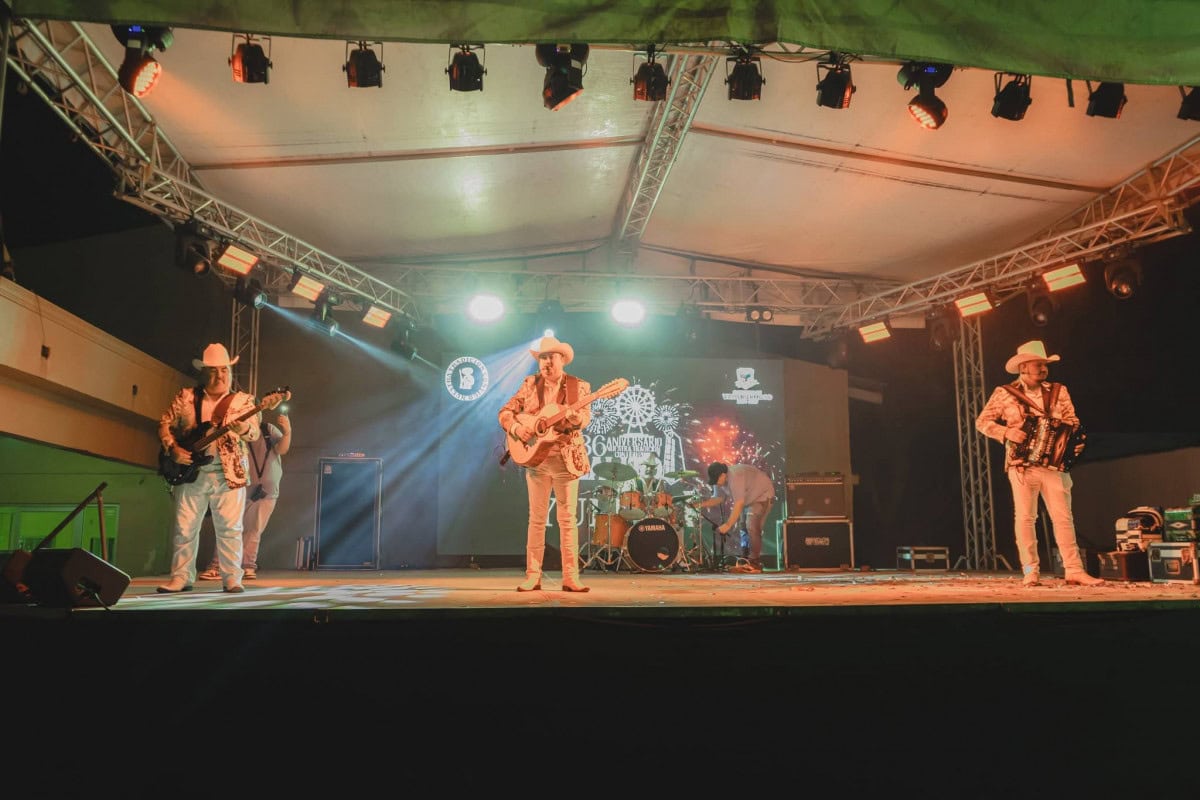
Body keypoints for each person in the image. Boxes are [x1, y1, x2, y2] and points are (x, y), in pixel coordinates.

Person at [156, 343, 284, 594]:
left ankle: (232, 578)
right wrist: (172, 448)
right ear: (204, 372)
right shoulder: (186, 397)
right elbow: (165, 424)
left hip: (229, 474)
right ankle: (181, 577)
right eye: (214, 370)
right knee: (185, 528)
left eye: (224, 370)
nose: (220, 375)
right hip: (191, 472)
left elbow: (254, 433)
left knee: (230, 528)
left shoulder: (244, 401)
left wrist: (243, 428)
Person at [975, 340, 1103, 587]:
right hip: (1021, 464)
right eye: (1038, 364)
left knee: (1063, 517)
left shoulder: (1059, 390)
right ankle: (1030, 571)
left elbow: (1072, 421)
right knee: (1025, 518)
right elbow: (982, 422)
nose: (1044, 369)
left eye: (1045, 365)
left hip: (1054, 465)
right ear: (1023, 367)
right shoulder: (1004, 393)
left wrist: (1073, 443)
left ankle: (1074, 570)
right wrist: (1006, 433)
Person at [498, 335, 593, 592]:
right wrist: (517, 428)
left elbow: (584, 418)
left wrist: (575, 419)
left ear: (562, 359)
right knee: (537, 519)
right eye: (542, 358)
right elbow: (505, 412)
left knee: (567, 519)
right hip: (536, 460)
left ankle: (571, 577)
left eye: (550, 357)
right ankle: (533, 575)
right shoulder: (530, 384)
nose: (546, 362)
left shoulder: (578, 386)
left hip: (565, 460)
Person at [198, 404, 292, 581]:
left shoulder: (267, 430)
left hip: (265, 491)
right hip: (238, 486)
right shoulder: (232, 431)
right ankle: (218, 566)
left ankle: (248, 566)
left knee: (253, 530)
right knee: (230, 527)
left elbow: (282, 449)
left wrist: (287, 431)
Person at [697, 461, 776, 573]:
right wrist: (700, 504)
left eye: (716, 480)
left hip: (763, 495)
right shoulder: (720, 480)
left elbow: (739, 503)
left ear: (723, 475)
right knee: (743, 528)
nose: (716, 484)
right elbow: (718, 498)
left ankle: (755, 562)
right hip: (749, 499)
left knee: (752, 527)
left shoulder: (735, 476)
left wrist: (728, 525)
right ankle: (746, 560)